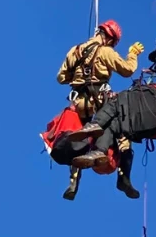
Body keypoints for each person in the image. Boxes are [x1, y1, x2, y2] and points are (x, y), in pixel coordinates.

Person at [64, 44, 156, 199]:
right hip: (146, 125)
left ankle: (96, 131)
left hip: (145, 108)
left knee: (117, 103)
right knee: (114, 125)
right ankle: (119, 173)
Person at [54, 20, 144, 200]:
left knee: (79, 141)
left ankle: (73, 183)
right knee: (123, 133)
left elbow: (61, 77)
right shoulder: (106, 52)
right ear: (111, 39)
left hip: (80, 103)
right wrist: (132, 55)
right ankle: (123, 177)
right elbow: (127, 70)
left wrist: (78, 78)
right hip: (100, 101)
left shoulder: (75, 51)